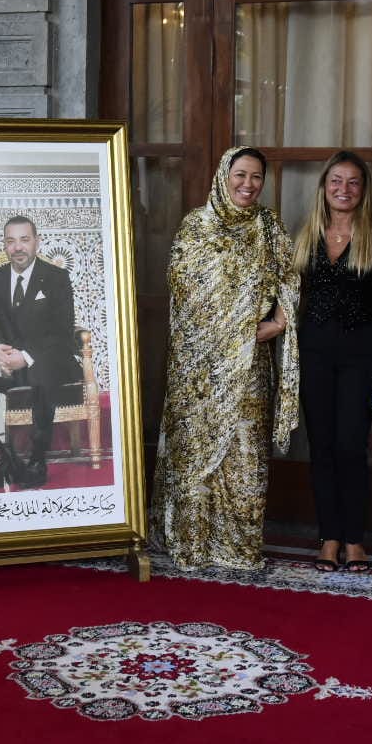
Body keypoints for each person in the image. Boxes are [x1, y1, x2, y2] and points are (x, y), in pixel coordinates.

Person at [150, 147, 299, 571]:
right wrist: (230, 329)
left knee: (244, 452)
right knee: (194, 452)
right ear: (223, 176)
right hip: (197, 367)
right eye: (240, 175)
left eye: (256, 177)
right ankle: (191, 544)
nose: (248, 185)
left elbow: (289, 281)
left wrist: (277, 324)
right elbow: (187, 294)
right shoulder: (197, 226)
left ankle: (237, 547)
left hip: (250, 363)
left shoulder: (270, 227)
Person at [293, 151, 372, 573]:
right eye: (336, 181)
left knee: (351, 446)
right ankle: (329, 537)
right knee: (321, 446)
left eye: (353, 182)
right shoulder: (308, 233)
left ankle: (355, 539)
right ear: (324, 186)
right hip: (316, 352)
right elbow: (296, 297)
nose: (344, 189)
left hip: (363, 352)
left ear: (364, 189)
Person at [0, 215, 82, 490]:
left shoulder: (56, 278)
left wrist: (25, 357)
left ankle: (38, 459)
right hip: (4, 363)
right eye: (11, 241)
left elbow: (62, 331)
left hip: (47, 358)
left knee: (41, 372)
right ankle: (7, 461)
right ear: (4, 246)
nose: (18, 247)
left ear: (37, 242)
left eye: (24, 240)